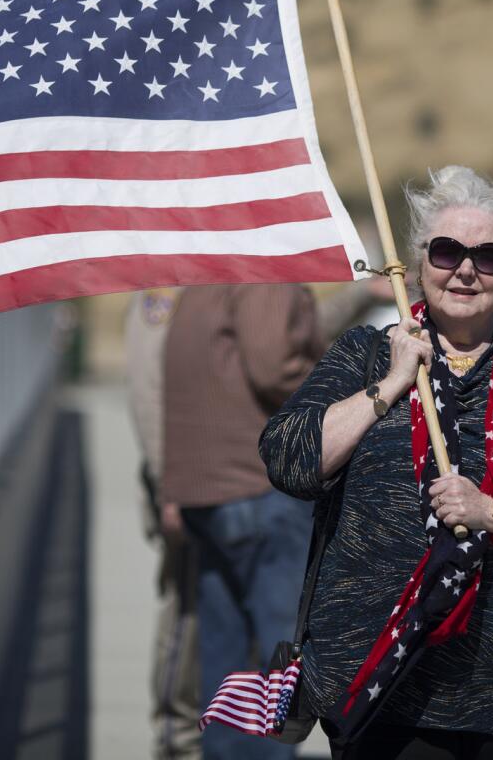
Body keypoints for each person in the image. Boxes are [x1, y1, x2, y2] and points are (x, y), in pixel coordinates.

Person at [260, 166, 493, 760]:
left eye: (489, 256)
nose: (466, 269)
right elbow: (289, 459)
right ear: (419, 262)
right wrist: (391, 385)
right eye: (448, 251)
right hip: (375, 677)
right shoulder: (366, 355)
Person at [161, 284, 324, 760]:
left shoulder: (210, 276)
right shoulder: (267, 269)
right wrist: (345, 384)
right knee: (278, 668)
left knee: (224, 659)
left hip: (208, 493)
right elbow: (275, 366)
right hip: (257, 487)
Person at [124, 287, 201, 759]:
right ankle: (178, 738)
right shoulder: (168, 285)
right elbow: (148, 390)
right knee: (187, 610)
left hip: (223, 482)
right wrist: (169, 484)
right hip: (186, 487)